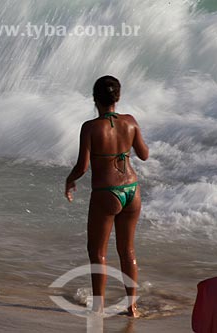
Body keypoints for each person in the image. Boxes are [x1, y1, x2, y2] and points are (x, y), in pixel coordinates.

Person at [65, 76, 149, 317]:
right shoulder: (131, 122)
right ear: (118, 97)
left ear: (94, 99)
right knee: (127, 250)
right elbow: (144, 154)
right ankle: (132, 307)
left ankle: (99, 306)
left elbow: (82, 166)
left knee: (97, 252)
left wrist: (69, 180)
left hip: (106, 193)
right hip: (132, 190)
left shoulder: (90, 128)